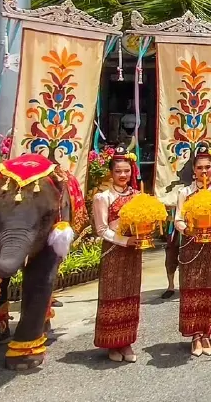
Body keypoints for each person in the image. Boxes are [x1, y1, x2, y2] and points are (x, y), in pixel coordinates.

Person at [174, 145, 211, 357]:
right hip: (191, 247)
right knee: (192, 289)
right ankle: (195, 334)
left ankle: (207, 333)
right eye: (200, 167)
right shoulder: (185, 192)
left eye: (207, 167)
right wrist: (189, 230)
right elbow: (178, 220)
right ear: (193, 169)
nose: (204, 171)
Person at [92, 151, 143, 363]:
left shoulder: (138, 196)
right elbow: (101, 229)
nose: (123, 175)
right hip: (113, 252)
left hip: (133, 253)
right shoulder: (102, 197)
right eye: (118, 171)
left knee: (131, 295)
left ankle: (127, 341)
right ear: (111, 173)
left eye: (126, 171)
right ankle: (111, 343)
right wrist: (125, 240)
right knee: (112, 295)